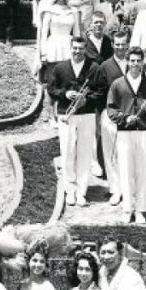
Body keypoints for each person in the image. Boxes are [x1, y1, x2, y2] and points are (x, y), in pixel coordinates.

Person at [49, 37, 103, 205]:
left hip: (87, 114)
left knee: (85, 153)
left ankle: (81, 191)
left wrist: (87, 100)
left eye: (81, 48)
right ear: (70, 48)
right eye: (75, 48)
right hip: (67, 113)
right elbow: (51, 89)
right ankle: (70, 190)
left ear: (86, 49)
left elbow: (101, 91)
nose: (77, 52)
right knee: (67, 152)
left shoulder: (94, 68)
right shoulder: (60, 68)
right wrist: (65, 94)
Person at [107, 46, 146, 223]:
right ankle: (127, 209)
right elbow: (111, 109)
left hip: (144, 131)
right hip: (125, 132)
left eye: (138, 61)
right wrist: (124, 118)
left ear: (143, 62)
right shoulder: (118, 84)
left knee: (142, 171)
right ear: (127, 61)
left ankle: (141, 209)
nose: (135, 64)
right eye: (132, 60)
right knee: (126, 171)